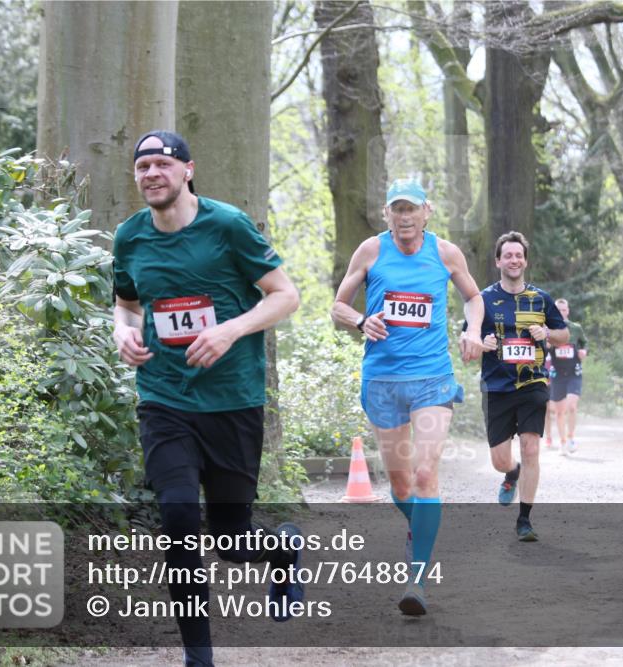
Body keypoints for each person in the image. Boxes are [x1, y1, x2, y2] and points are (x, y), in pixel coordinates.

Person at [112, 131, 302, 667]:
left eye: (162, 164)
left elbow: (286, 295)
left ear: (188, 170)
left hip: (233, 401)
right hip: (164, 399)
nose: (151, 173)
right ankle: (199, 655)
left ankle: (282, 547)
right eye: (142, 165)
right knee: (175, 514)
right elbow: (126, 305)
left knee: (232, 542)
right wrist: (122, 333)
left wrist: (229, 331)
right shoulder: (129, 237)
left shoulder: (227, 226)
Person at [331, 178, 484, 616]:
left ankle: (416, 579)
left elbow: (473, 298)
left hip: (432, 378)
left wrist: (473, 330)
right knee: (400, 485)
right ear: (387, 215)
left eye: (411, 209)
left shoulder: (446, 252)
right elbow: (338, 306)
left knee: (423, 475)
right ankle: (423, 528)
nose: (404, 217)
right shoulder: (371, 251)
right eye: (397, 209)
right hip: (382, 380)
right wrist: (361, 320)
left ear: (426, 212)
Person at [474, 231, 568, 541]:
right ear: (498, 261)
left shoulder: (540, 298)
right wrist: (481, 343)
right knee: (500, 459)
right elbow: (468, 341)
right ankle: (510, 473)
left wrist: (547, 333)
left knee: (531, 448)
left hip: (533, 383)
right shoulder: (483, 300)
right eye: (508, 255)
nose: (514, 260)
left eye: (519, 255)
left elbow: (563, 335)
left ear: (525, 261)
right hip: (497, 387)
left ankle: (524, 520)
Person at [548, 298, 588, 454]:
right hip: (557, 374)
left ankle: (571, 438)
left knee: (571, 406)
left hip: (574, 372)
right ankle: (562, 442)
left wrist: (584, 351)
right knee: (559, 412)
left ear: (568, 311)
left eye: (564, 310)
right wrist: (548, 345)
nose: (561, 313)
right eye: (558, 310)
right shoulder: (549, 329)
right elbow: (544, 348)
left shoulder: (576, 328)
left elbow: (585, 342)